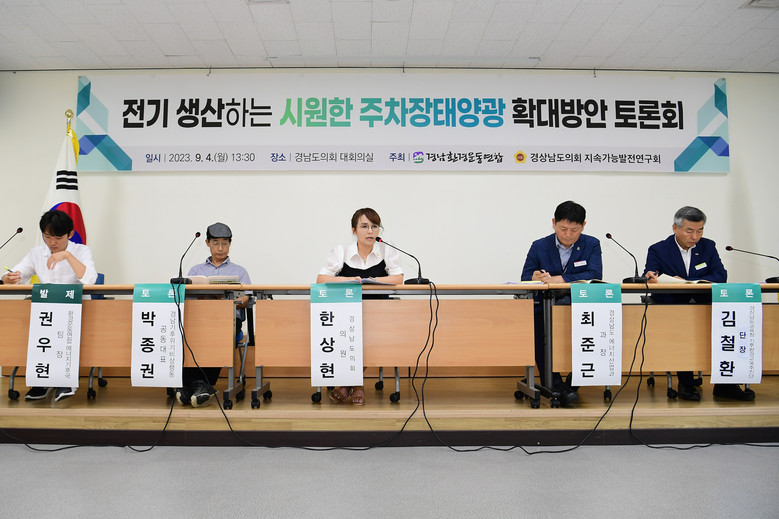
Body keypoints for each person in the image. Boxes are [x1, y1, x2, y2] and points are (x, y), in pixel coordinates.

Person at [643, 205, 754, 401]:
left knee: (729, 321)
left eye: (700, 230)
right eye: (689, 231)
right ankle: (686, 383)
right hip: (673, 304)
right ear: (675, 228)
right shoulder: (658, 249)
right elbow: (651, 274)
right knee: (682, 327)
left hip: (704, 300)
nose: (695, 236)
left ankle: (726, 384)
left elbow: (720, 275)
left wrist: (689, 281)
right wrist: (651, 277)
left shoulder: (708, 247)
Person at [1, 210, 98, 402]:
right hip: (45, 310)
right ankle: (42, 381)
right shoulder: (37, 253)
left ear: (70, 234)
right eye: (47, 236)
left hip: (76, 311)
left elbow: (90, 280)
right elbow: (18, 275)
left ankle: (64, 380)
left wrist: (67, 256)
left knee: (60, 328)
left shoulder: (82, 251)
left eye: (58, 238)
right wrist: (8, 278)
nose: (52, 242)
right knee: (33, 328)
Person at [316, 208, 404, 405]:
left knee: (370, 336)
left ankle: (347, 384)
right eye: (364, 226)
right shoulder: (342, 252)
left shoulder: (386, 250)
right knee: (353, 335)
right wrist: (348, 280)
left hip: (378, 313)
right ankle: (357, 385)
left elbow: (398, 278)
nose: (370, 231)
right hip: (346, 311)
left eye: (374, 226)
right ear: (354, 230)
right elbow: (321, 279)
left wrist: (374, 280)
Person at [521, 201, 603, 406]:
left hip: (579, 304)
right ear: (553, 223)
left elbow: (595, 274)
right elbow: (525, 277)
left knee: (593, 328)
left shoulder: (592, 244)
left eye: (574, 230)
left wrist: (561, 279)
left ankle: (577, 377)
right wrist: (534, 277)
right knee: (541, 328)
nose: (567, 235)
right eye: (563, 228)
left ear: (583, 226)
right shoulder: (539, 246)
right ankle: (554, 384)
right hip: (544, 305)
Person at [176, 222, 252, 407]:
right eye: (216, 243)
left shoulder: (239, 271)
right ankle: (199, 386)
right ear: (207, 243)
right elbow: (185, 297)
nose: (220, 248)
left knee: (219, 333)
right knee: (186, 332)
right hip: (200, 319)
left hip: (228, 319)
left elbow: (245, 300)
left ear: (230, 244)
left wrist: (223, 298)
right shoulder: (196, 271)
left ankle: (196, 385)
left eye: (224, 243)